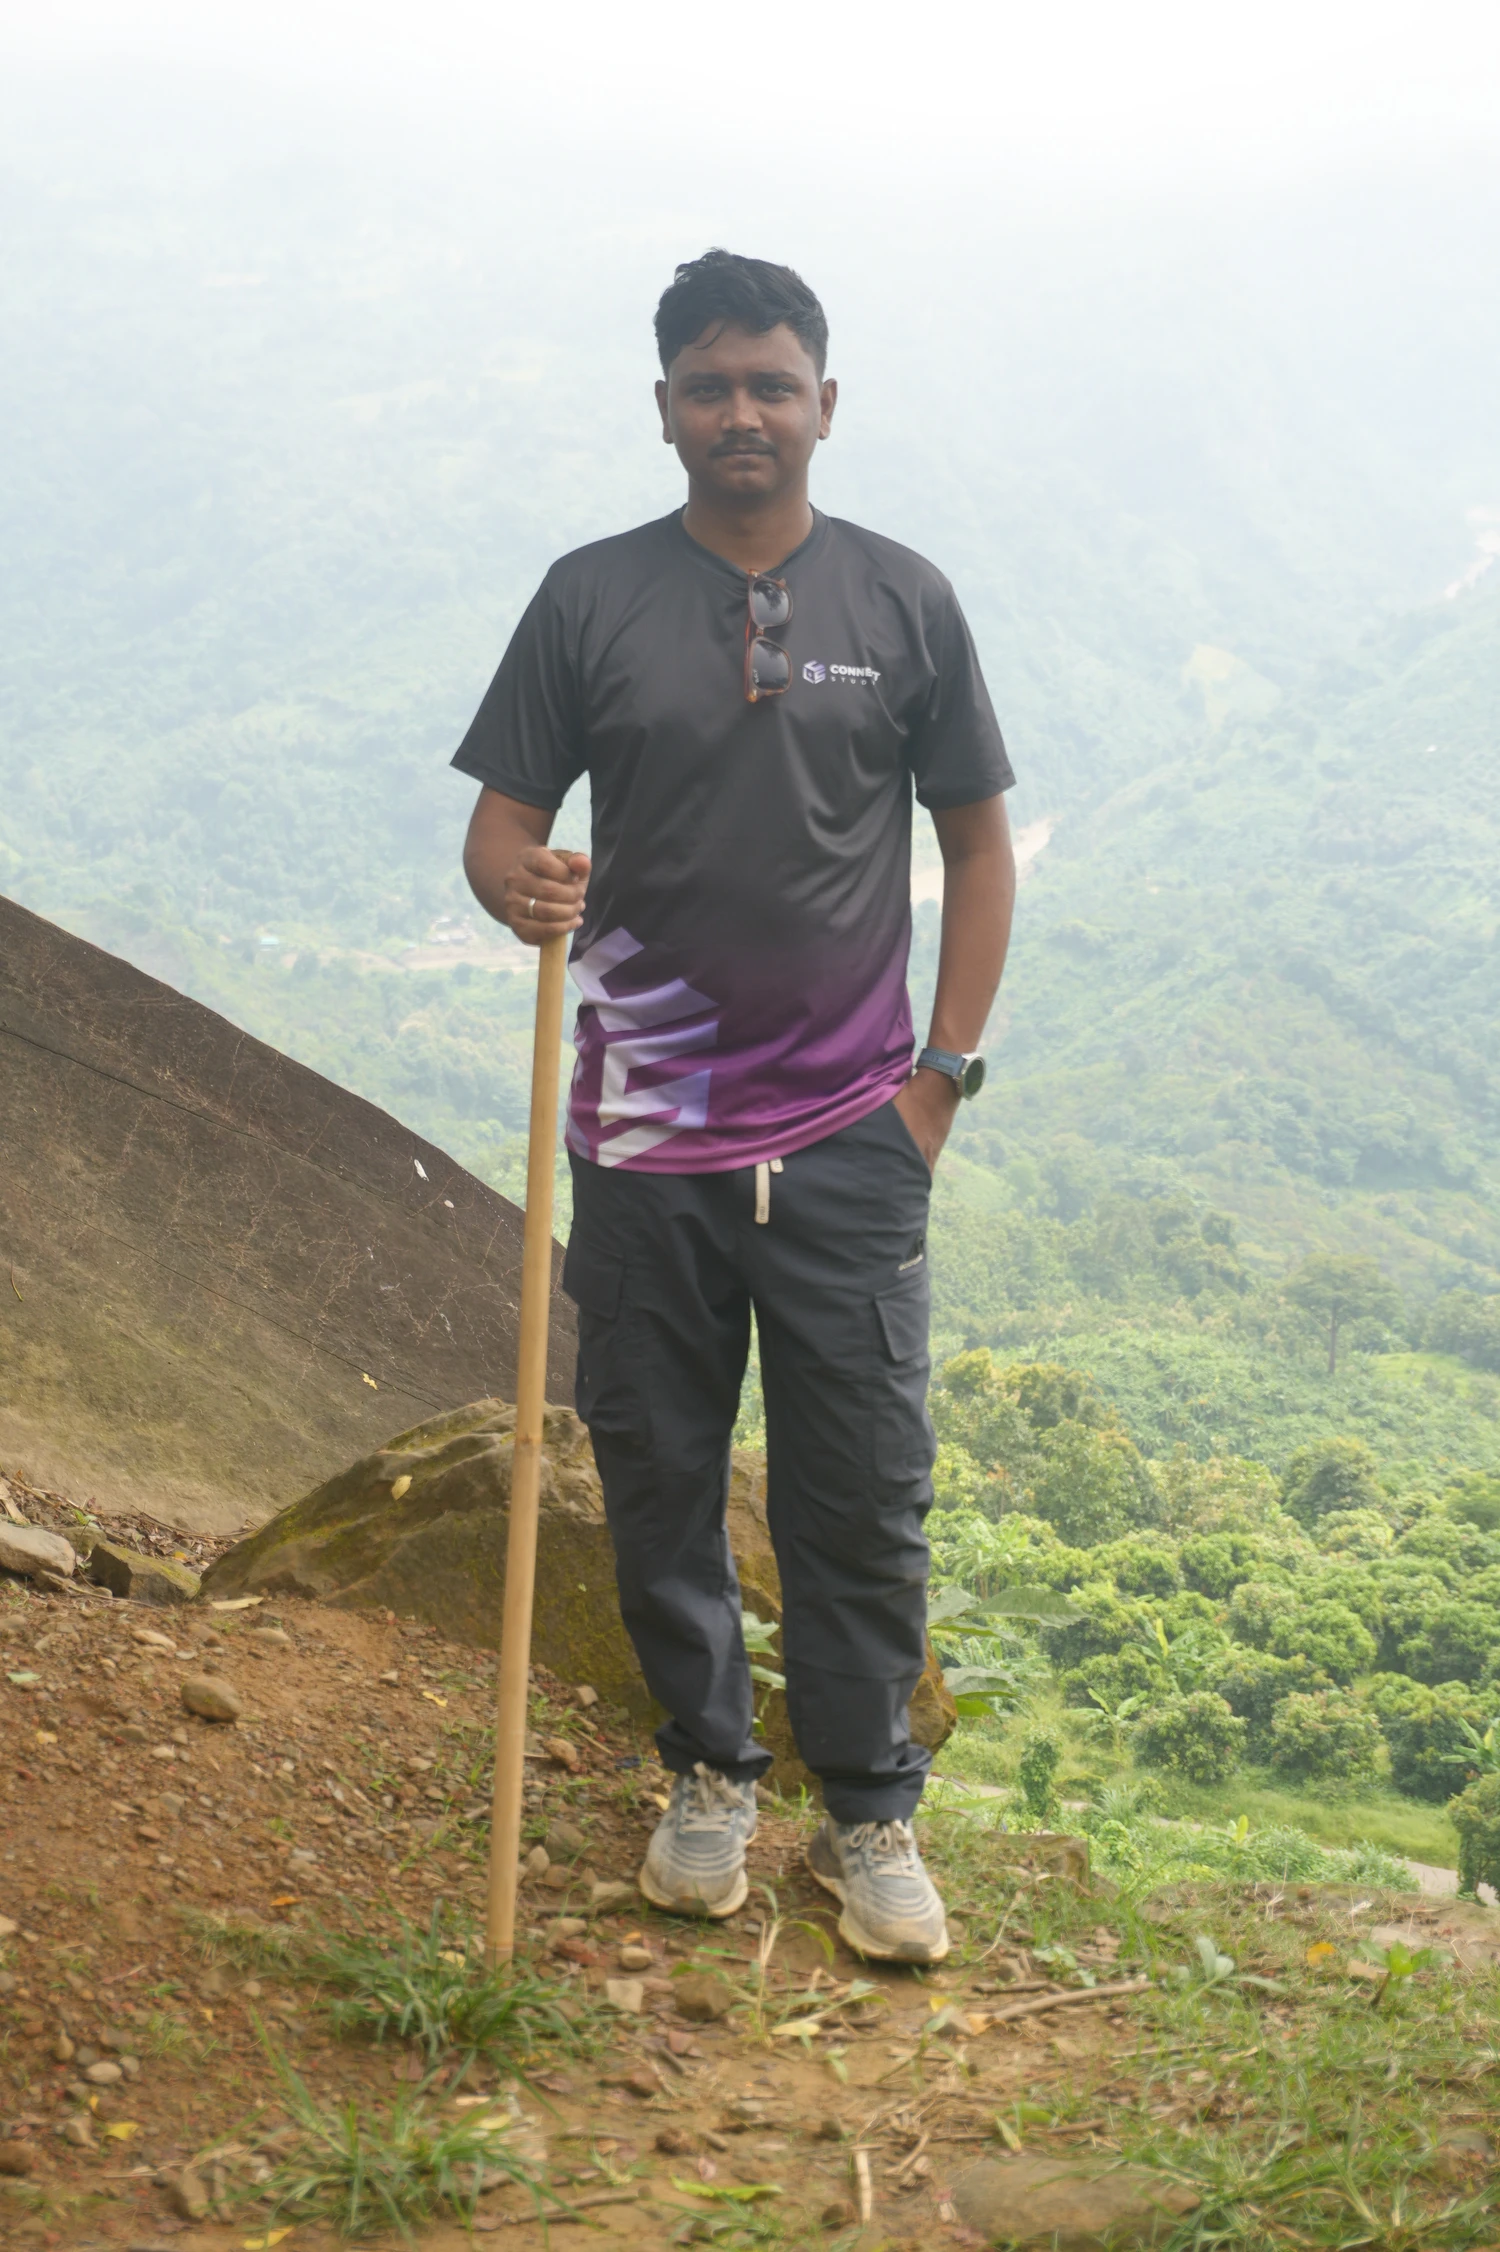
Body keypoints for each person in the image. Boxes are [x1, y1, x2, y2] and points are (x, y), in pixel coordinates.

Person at [455, 249, 1015, 1964]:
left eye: (773, 384)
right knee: (658, 1472)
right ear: (665, 410)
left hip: (851, 1136)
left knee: (862, 1490)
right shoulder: (591, 597)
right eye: (710, 386)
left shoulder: (904, 600)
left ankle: (867, 1814)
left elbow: (979, 845)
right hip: (643, 1136)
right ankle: (708, 1775)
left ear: (825, 404)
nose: (743, 412)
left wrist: (938, 1083)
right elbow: (502, 823)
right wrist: (520, 888)